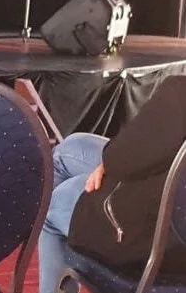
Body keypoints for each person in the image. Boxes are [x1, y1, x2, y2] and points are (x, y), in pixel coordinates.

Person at [38, 74, 186, 293]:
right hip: (170, 207)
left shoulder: (180, 92)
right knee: (71, 148)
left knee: (54, 204)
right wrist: (110, 162)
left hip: (157, 242)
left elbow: (124, 160)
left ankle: (72, 251)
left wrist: (109, 165)